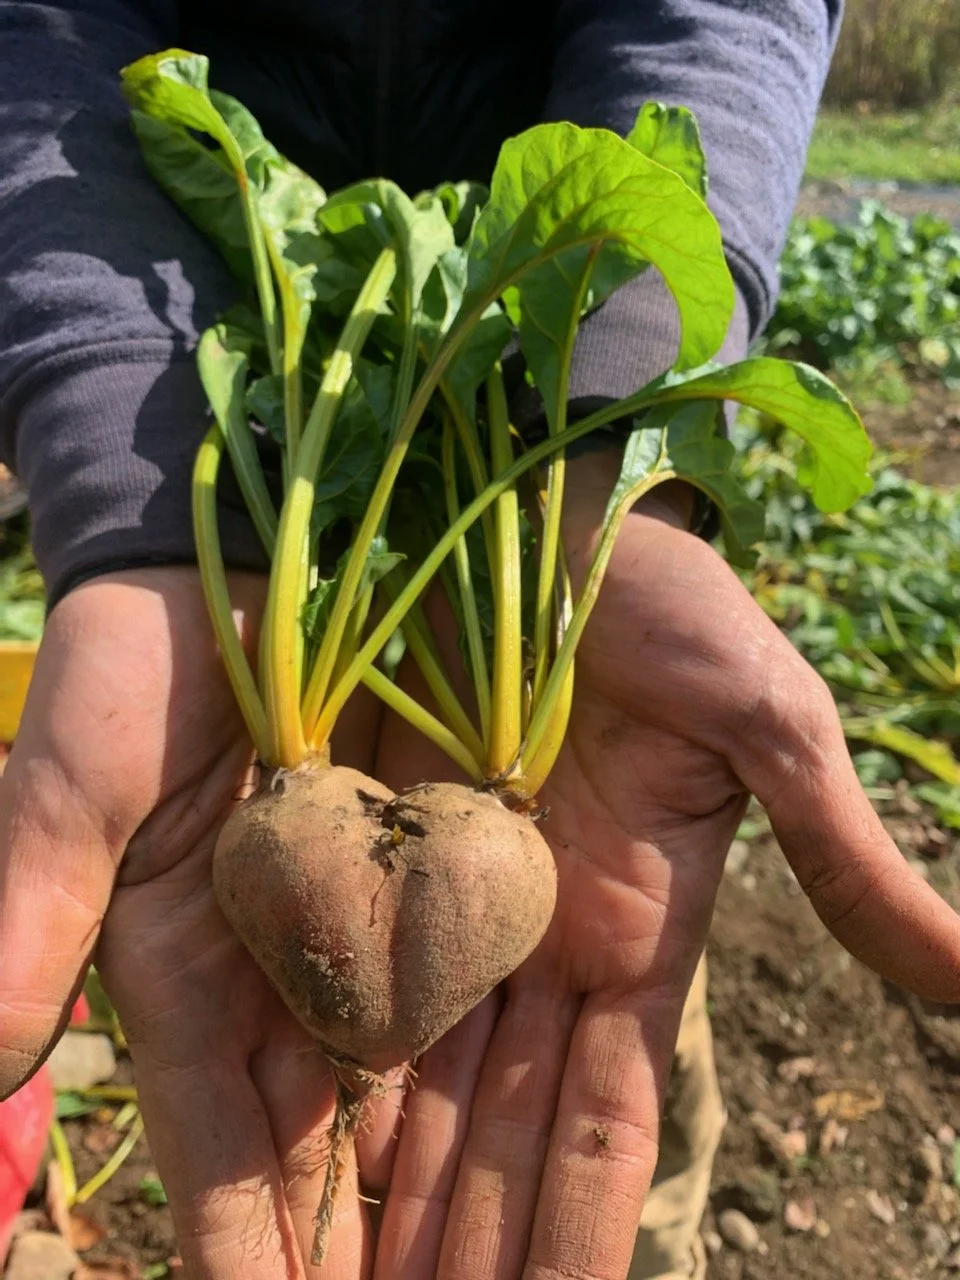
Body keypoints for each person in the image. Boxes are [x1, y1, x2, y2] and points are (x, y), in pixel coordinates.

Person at [2, 2, 959, 1277]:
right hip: (200, 361)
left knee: (610, 1041)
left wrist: (610, 421)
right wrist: (129, 452)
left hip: (537, 503)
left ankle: (661, 1242)